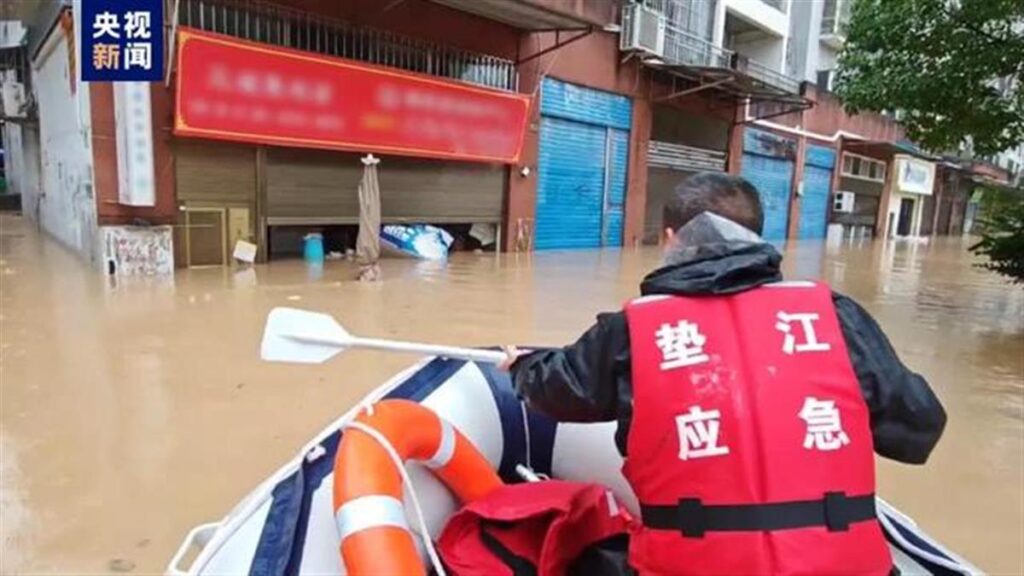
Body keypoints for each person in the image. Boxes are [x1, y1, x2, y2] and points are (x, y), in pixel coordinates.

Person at [501, 172, 946, 575]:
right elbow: (919, 427)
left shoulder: (634, 331)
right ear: (757, 237)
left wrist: (520, 364)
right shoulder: (833, 316)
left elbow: (556, 391)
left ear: (671, 238)